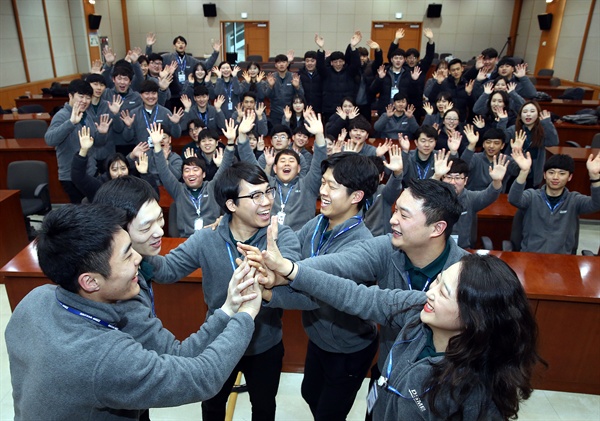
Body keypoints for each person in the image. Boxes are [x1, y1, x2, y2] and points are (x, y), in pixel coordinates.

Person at [5, 203, 262, 420]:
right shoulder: (104, 357)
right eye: (128, 256)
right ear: (90, 281)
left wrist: (227, 308)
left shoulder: (35, 299)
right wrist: (245, 315)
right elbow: (202, 377)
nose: (139, 259)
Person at [242, 178, 469, 418]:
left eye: (404, 215)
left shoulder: (466, 276)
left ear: (437, 228)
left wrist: (287, 271)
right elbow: (337, 267)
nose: (392, 220)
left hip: (443, 385)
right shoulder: (386, 248)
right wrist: (286, 272)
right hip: (387, 372)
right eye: (395, 211)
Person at [253, 240, 543, 420]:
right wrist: (292, 271)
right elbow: (356, 296)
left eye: (443, 292)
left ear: (475, 316)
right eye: (437, 282)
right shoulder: (417, 312)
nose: (430, 293)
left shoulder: (476, 388)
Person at [146, 161, 303, 421]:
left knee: (264, 408)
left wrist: (275, 272)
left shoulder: (279, 235)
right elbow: (166, 270)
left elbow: (293, 274)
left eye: (268, 191)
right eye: (255, 195)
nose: (266, 202)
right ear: (231, 205)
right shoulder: (207, 238)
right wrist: (138, 247)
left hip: (264, 343)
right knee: (212, 407)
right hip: (217, 342)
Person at [259, 153, 380, 420]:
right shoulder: (320, 223)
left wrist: (270, 289)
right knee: (310, 393)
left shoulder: (360, 246)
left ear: (356, 196)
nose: (322, 191)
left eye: (332, 187)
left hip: (348, 347)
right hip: (319, 337)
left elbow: (316, 294)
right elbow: (293, 240)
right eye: (323, 183)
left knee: (329, 413)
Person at [238, 110, 327, 231]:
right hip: (268, 239)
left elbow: (318, 164)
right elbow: (250, 162)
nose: (286, 163)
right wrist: (242, 135)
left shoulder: (308, 185)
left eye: (291, 161)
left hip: (299, 243)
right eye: (282, 161)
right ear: (275, 168)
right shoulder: (267, 184)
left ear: (299, 169)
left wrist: (320, 135)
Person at [151, 122, 235, 236]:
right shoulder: (178, 190)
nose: (191, 174)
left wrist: (230, 143)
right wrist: (157, 145)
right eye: (187, 170)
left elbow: (225, 166)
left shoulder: (211, 186)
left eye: (195, 169)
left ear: (203, 174)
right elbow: (163, 171)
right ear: (183, 175)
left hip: (212, 236)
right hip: (186, 241)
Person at [508, 151, 600, 254]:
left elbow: (597, 204)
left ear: (569, 177)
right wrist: (524, 172)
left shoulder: (574, 200)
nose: (555, 177)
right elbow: (513, 199)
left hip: (561, 259)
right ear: (544, 175)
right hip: (531, 256)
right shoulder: (532, 196)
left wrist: (595, 177)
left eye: (562, 173)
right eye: (551, 172)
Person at [45, 79, 112, 203]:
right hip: (71, 176)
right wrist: (71, 123)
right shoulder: (62, 115)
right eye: (81, 96)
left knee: (95, 206)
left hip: (90, 171)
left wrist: (102, 134)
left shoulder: (86, 115)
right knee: (83, 212)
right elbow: (50, 140)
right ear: (70, 96)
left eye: (88, 98)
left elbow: (96, 143)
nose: (84, 101)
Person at [433, 155, 506, 249]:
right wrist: (436, 176)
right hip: (435, 249)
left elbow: (489, 195)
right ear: (442, 179)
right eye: (448, 177)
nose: (452, 182)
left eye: (457, 178)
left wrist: (496, 181)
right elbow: (423, 195)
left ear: (465, 180)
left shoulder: (470, 198)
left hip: (463, 249)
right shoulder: (434, 197)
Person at [71, 126, 158, 202]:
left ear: (128, 169)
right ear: (108, 171)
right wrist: (83, 150)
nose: (120, 173)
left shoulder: (134, 185)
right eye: (114, 169)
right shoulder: (100, 186)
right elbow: (78, 176)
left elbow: (154, 197)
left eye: (123, 168)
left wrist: (144, 174)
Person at [504, 100, 559, 188]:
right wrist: (502, 121)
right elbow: (503, 139)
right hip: (514, 172)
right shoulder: (513, 129)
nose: (528, 114)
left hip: (533, 174)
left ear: (538, 114)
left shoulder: (542, 130)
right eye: (525, 112)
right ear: (520, 116)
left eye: (532, 111)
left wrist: (547, 123)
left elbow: (553, 142)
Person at [316, 32, 362, 124]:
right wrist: (321, 49)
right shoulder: (326, 72)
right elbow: (320, 66)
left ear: (344, 62)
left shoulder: (349, 72)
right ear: (331, 62)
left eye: (340, 61)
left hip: (347, 108)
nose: (338, 64)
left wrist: (353, 48)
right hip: (330, 108)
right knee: (331, 130)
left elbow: (356, 64)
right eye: (335, 62)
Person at [85, 73, 125, 172]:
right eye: (95, 84)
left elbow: (119, 129)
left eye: (102, 85)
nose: (99, 88)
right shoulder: (83, 107)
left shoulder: (110, 105)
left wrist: (116, 114)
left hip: (108, 153)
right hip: (89, 154)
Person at [461, 126, 519, 192]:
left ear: (502, 146)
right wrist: (472, 144)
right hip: (474, 197)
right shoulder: (475, 157)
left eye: (496, 143)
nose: (491, 146)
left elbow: (520, 171)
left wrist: (518, 151)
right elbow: (462, 167)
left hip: (497, 197)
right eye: (488, 142)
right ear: (483, 144)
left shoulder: (505, 160)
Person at [363, 149, 405, 237]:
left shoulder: (383, 192)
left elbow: (394, 187)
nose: (371, 180)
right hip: (358, 240)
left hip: (380, 239)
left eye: (375, 176)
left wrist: (397, 173)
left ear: (381, 176)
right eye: (368, 175)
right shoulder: (354, 193)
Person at [428, 58, 475, 123]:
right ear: (449, 72)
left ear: (462, 69)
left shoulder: (467, 85)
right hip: (444, 118)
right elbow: (432, 99)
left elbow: (471, 106)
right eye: (453, 70)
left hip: (460, 120)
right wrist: (438, 83)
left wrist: (469, 93)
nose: (456, 72)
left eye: (458, 69)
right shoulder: (444, 83)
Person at [264, 53, 304, 126]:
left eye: (284, 62)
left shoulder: (294, 77)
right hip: (275, 112)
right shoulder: (271, 77)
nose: (281, 64)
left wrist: (297, 87)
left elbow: (301, 95)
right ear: (275, 65)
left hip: (291, 112)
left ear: (287, 64)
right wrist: (271, 86)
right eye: (279, 62)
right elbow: (267, 95)